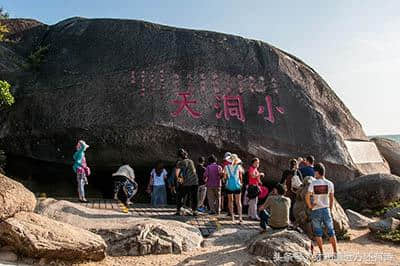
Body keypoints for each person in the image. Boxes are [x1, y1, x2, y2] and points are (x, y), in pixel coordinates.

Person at [305, 163, 337, 259]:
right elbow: (331, 198)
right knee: (331, 232)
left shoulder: (313, 183)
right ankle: (335, 253)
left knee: (318, 233)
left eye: (314, 171)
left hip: (316, 210)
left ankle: (322, 253)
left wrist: (310, 206)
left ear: (317, 172)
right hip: (326, 209)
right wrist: (330, 209)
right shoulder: (330, 183)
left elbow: (307, 196)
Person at [175, 148, 199, 216]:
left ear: (179, 156)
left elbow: (177, 173)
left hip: (187, 182)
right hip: (195, 181)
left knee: (180, 195)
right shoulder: (191, 161)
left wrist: (179, 180)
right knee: (194, 197)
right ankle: (194, 211)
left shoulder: (180, 162)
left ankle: (179, 210)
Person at [223, 154, 244, 223]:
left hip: (229, 186)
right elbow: (241, 177)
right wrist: (241, 183)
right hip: (237, 185)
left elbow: (225, 177)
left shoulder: (226, 167)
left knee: (230, 201)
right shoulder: (238, 167)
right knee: (238, 202)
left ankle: (232, 217)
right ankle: (240, 217)